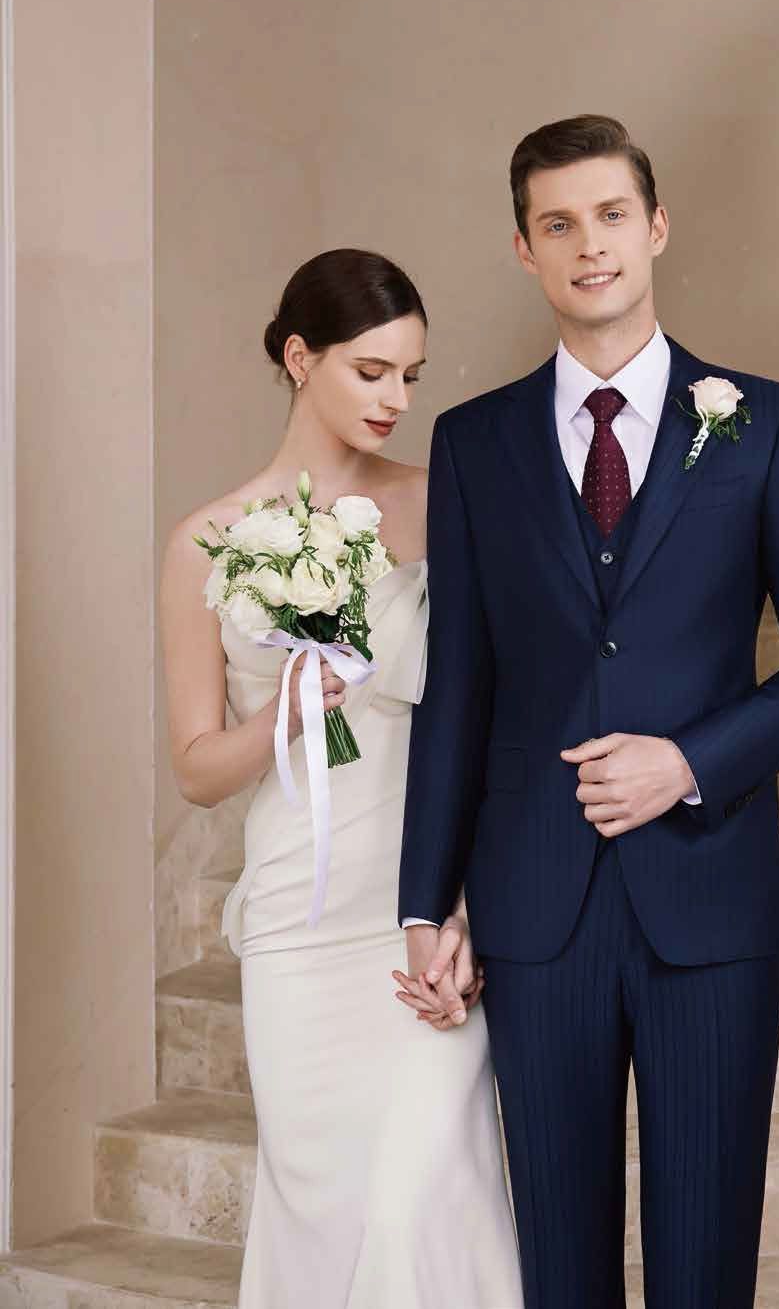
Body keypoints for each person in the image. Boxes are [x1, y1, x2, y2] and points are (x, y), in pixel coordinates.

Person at [398, 117, 779, 1309]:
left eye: (610, 215)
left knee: (704, 1263)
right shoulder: (473, 443)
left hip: (709, 901)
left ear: (655, 228)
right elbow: (458, 682)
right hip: (532, 903)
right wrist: (424, 898)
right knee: (559, 1268)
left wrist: (691, 761)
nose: (589, 245)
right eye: (557, 224)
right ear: (524, 250)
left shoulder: (764, 423)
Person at [161, 248, 522, 1309]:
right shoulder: (205, 541)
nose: (396, 398)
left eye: (411, 373)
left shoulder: (440, 502)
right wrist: (280, 714)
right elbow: (194, 769)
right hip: (297, 913)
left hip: (419, 904)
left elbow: (494, 714)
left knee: (426, 1193)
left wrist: (465, 900)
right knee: (319, 1207)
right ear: (298, 355)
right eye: (370, 371)